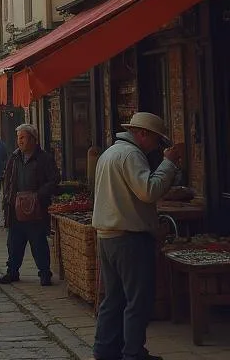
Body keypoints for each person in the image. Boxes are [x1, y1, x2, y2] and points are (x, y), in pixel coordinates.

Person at [92, 112, 182, 360]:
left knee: (114, 298)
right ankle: (132, 353)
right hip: (128, 237)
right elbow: (148, 191)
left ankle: (105, 349)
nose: (156, 146)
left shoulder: (110, 153)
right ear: (142, 134)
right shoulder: (131, 154)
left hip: (108, 235)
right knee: (137, 300)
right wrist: (169, 163)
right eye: (155, 139)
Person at [0, 124, 58, 286]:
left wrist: (38, 195)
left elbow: (53, 180)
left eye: (23, 137)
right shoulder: (15, 157)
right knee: (14, 243)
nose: (20, 141)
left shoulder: (44, 158)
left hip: (35, 209)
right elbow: (8, 180)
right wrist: (7, 200)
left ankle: (45, 273)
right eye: (18, 138)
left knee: (38, 242)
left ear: (33, 139)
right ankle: (12, 271)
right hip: (16, 208)